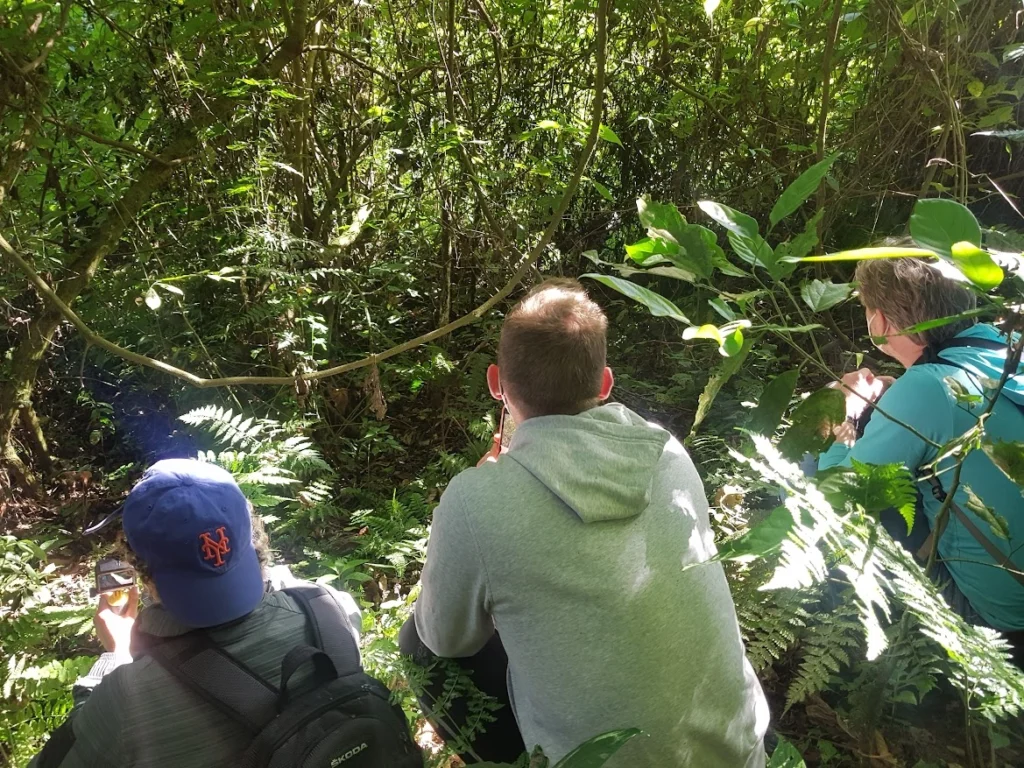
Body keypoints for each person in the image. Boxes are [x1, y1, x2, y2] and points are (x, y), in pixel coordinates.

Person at [401, 278, 769, 766]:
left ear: (496, 384)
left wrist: (484, 499)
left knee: (417, 641)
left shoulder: (475, 501)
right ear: (605, 383)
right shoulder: (666, 452)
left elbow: (446, 639)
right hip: (737, 751)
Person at [30, 459, 364, 768]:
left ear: (146, 578)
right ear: (252, 539)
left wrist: (116, 654)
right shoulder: (331, 612)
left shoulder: (127, 703)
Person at [818, 255, 1024, 658]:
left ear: (881, 321)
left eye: (865, 310)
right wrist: (897, 398)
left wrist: (839, 416)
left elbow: (833, 495)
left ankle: (848, 641)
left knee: (813, 470)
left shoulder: (927, 389)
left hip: (1006, 620)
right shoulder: (1007, 348)